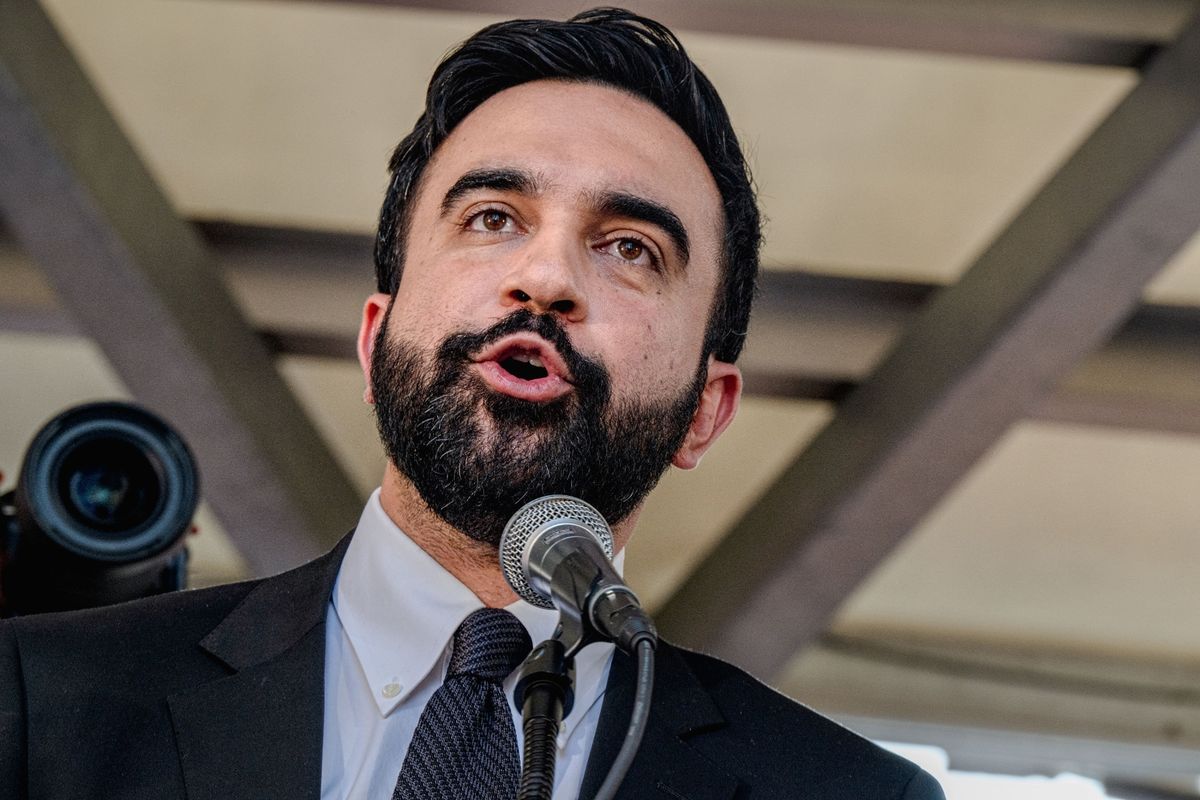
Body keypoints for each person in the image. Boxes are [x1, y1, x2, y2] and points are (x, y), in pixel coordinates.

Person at [0, 8, 944, 799]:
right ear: (374, 342)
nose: (546, 277)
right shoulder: (40, 700)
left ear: (707, 408)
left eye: (630, 249)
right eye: (493, 218)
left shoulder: (851, 794)